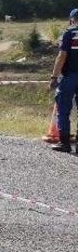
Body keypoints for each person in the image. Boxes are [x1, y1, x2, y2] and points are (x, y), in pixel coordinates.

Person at [49, 8, 78, 153]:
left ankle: (64, 143)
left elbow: (62, 57)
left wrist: (54, 77)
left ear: (72, 19)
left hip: (70, 76)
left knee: (64, 109)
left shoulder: (69, 34)